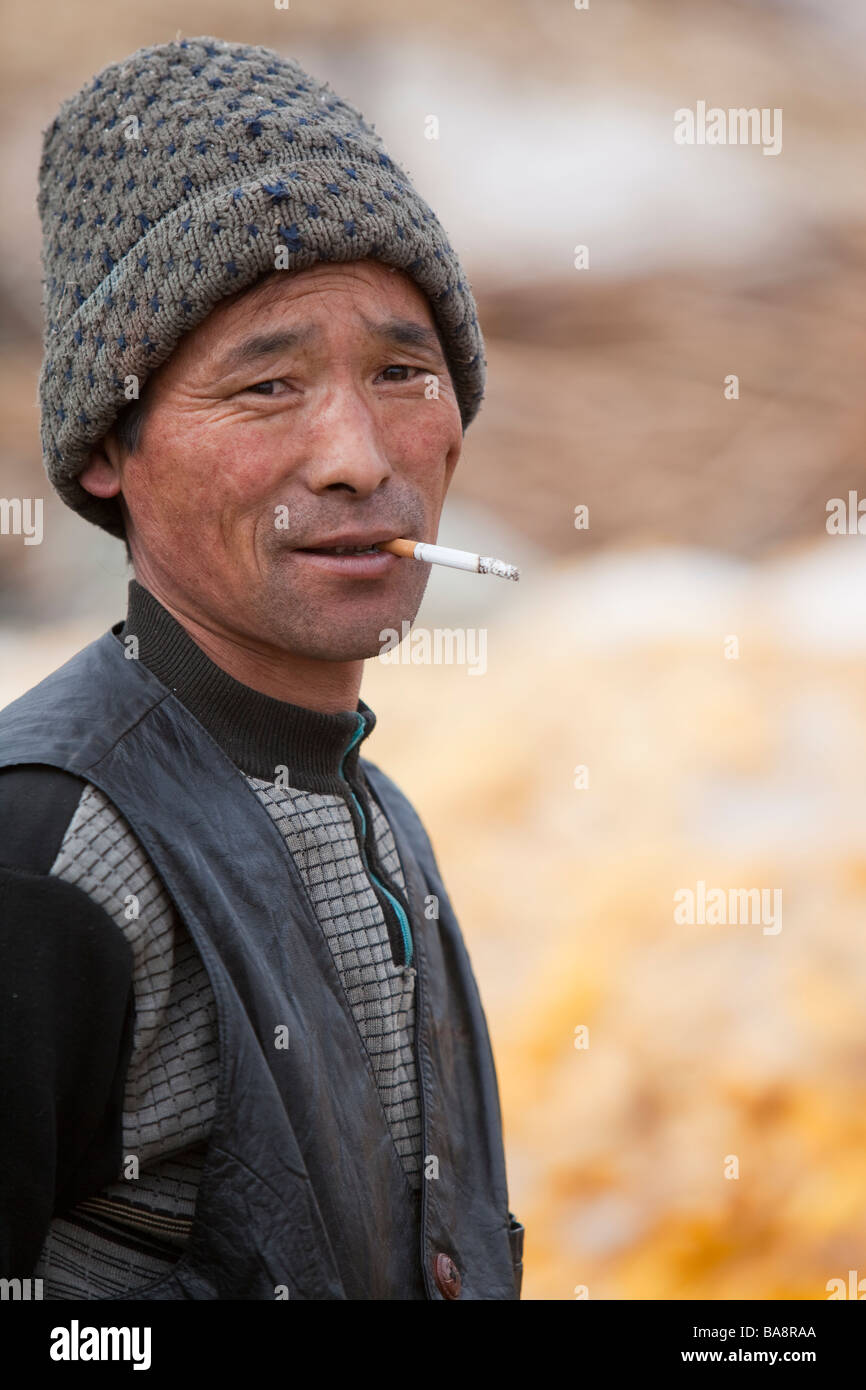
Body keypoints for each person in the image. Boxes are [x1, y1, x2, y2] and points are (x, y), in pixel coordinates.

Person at [0, 35, 523, 1300]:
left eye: (401, 372)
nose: (355, 454)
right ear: (108, 453)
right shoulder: (50, 851)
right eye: (267, 383)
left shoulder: (377, 819)